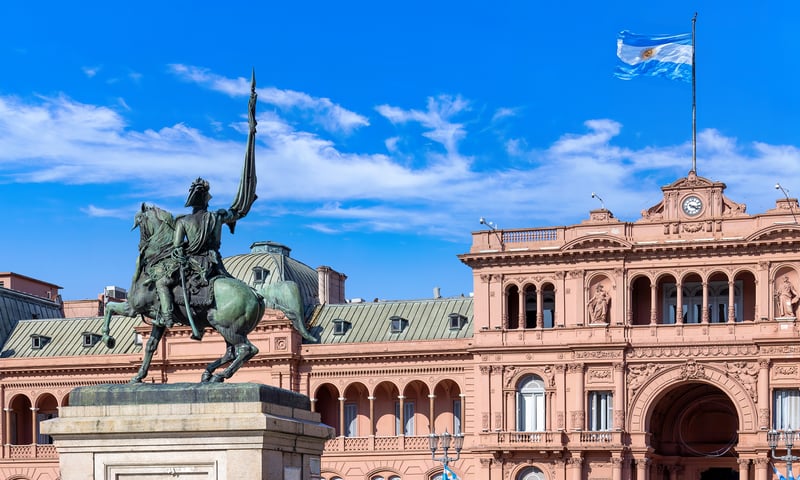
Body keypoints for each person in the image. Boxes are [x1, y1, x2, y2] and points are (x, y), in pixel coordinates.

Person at [155, 177, 243, 328]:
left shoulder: (183, 221)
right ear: (207, 201)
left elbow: (177, 247)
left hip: (193, 263)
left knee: (162, 282)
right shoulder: (216, 217)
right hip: (213, 262)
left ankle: (167, 317)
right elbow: (236, 213)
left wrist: (183, 250)